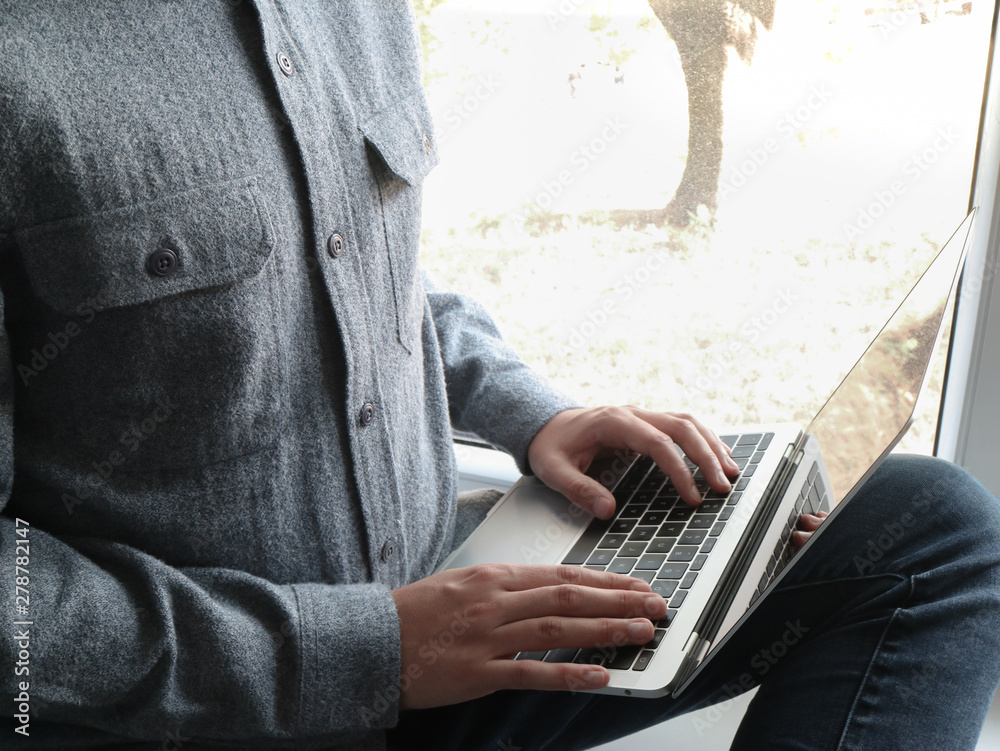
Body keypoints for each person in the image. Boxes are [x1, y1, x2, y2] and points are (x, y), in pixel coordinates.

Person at [1, 2, 998, 749]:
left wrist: (528, 411)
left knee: (928, 524)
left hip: (461, 628)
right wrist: (371, 648)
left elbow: (351, 271)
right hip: (228, 712)